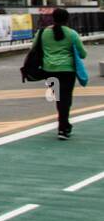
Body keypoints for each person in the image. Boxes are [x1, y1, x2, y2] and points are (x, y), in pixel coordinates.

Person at [36, 7, 87, 139]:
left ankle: (63, 125)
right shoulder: (72, 34)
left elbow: (34, 49)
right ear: (67, 19)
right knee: (65, 99)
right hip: (67, 70)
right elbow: (82, 54)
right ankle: (63, 127)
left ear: (53, 18)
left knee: (59, 98)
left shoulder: (42, 33)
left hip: (49, 70)